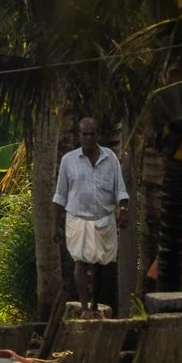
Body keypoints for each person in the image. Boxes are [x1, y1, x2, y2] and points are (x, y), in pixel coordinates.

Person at [52, 117, 132, 309]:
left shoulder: (110, 158)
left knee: (99, 267)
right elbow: (60, 196)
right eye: (84, 134)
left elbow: (120, 190)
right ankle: (85, 307)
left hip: (103, 220)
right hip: (77, 219)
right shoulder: (68, 161)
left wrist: (123, 210)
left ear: (98, 135)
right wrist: (56, 225)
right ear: (79, 136)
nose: (88, 137)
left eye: (92, 133)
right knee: (80, 261)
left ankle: (95, 305)